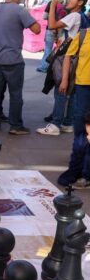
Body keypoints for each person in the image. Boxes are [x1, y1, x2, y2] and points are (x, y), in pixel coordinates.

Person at [0, 0, 41, 135]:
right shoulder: (20, 10)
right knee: (15, 94)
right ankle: (15, 125)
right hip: (13, 60)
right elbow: (37, 29)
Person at [37, 0, 89, 137]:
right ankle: (67, 122)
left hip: (68, 57)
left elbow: (52, 25)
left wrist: (53, 5)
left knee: (61, 89)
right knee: (71, 92)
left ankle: (56, 123)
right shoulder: (82, 17)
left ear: (80, 2)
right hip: (76, 58)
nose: (69, 0)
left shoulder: (74, 15)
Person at [57, 28, 90, 188]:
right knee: (80, 130)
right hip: (83, 87)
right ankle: (77, 169)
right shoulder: (83, 35)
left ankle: (86, 174)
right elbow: (68, 56)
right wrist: (64, 79)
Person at [37, 0, 67, 73]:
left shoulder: (51, 3)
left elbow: (44, 16)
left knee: (48, 48)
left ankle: (44, 67)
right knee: (60, 49)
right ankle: (58, 68)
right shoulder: (66, 3)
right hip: (61, 29)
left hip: (51, 28)